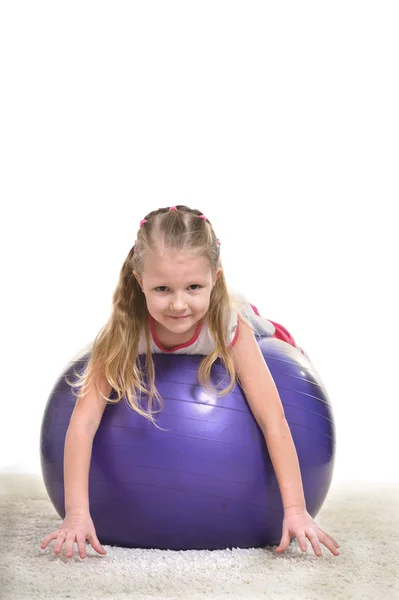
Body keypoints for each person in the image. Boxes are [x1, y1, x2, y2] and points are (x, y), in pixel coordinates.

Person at [41, 204, 340, 560]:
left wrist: (295, 510)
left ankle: (277, 331)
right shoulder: (124, 330)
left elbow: (272, 418)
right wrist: (76, 513)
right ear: (140, 283)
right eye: (163, 289)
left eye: (194, 286)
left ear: (215, 277)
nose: (179, 304)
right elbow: (84, 421)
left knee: (268, 332)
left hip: (242, 319)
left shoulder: (227, 324)